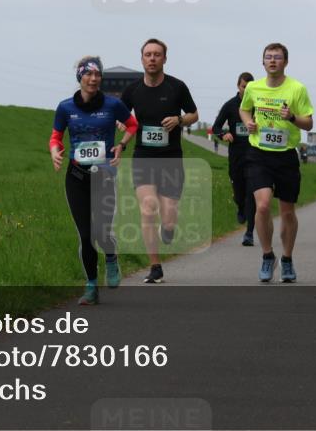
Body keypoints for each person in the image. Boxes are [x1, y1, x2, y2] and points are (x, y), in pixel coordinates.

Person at [50, 57, 139, 305]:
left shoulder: (113, 105)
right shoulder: (65, 107)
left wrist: (121, 145)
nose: (93, 79)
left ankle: (111, 258)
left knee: (101, 232)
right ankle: (91, 285)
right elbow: (56, 136)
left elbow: (132, 125)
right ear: (80, 77)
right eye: (88, 74)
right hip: (76, 176)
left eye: (97, 74)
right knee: (86, 234)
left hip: (104, 175)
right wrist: (55, 151)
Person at [121, 39, 199, 284]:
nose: (152, 58)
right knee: (147, 208)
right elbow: (121, 115)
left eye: (157, 54)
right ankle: (155, 267)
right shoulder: (132, 90)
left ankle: (168, 228)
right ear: (142, 59)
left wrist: (179, 120)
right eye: (148, 54)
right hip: (143, 157)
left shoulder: (177, 87)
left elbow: (194, 114)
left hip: (170, 158)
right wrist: (122, 124)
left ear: (165, 58)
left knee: (168, 216)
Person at [239, 42, 314, 283]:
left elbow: (309, 123)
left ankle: (288, 259)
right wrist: (248, 122)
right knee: (262, 206)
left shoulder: (297, 89)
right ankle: (267, 255)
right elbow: (244, 109)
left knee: (287, 213)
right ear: (263, 62)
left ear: (286, 62)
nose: (272, 60)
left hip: (286, 155)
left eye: (277, 57)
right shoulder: (253, 87)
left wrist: (291, 117)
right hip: (258, 154)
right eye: (268, 57)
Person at [212, 72, 257, 246]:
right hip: (236, 156)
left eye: (249, 87)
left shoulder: (258, 105)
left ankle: (249, 233)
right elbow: (216, 126)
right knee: (239, 194)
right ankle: (240, 206)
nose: (246, 90)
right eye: (244, 86)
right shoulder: (230, 105)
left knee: (251, 195)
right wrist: (224, 134)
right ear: (238, 86)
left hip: (254, 156)